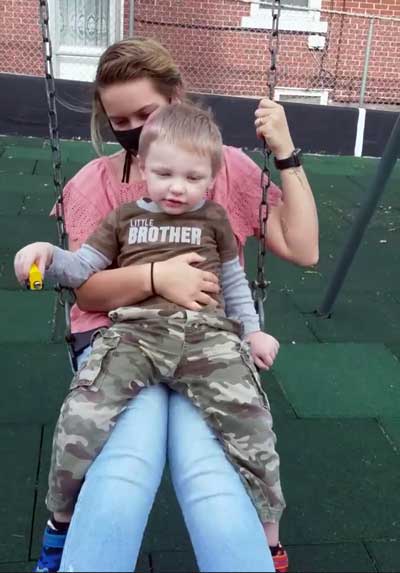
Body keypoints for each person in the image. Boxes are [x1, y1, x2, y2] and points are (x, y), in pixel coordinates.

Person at [23, 37, 318, 573]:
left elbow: (302, 248)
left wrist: (284, 153)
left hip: (205, 340)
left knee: (211, 466)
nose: (134, 128)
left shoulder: (224, 169)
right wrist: (159, 275)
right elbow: (87, 287)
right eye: (120, 120)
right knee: (123, 462)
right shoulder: (98, 185)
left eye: (146, 112)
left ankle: (266, 544)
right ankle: (60, 534)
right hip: (116, 334)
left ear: (175, 102)